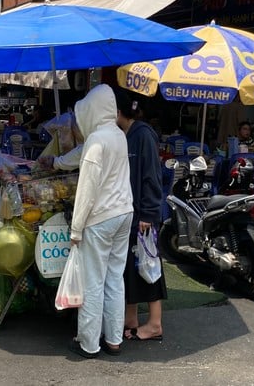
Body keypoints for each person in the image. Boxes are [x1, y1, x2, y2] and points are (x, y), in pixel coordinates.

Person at [67, 84, 134, 359]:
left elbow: (87, 189)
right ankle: (114, 339)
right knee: (114, 279)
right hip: (124, 213)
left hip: (101, 218)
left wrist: (76, 227)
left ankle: (89, 343)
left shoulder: (96, 141)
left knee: (93, 282)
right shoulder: (119, 135)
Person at [114, 89, 167, 342]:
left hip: (144, 215)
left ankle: (155, 324)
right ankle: (131, 318)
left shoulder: (143, 135)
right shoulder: (124, 134)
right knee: (131, 269)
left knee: (149, 266)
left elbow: (152, 177)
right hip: (130, 213)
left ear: (117, 111)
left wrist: (148, 213)